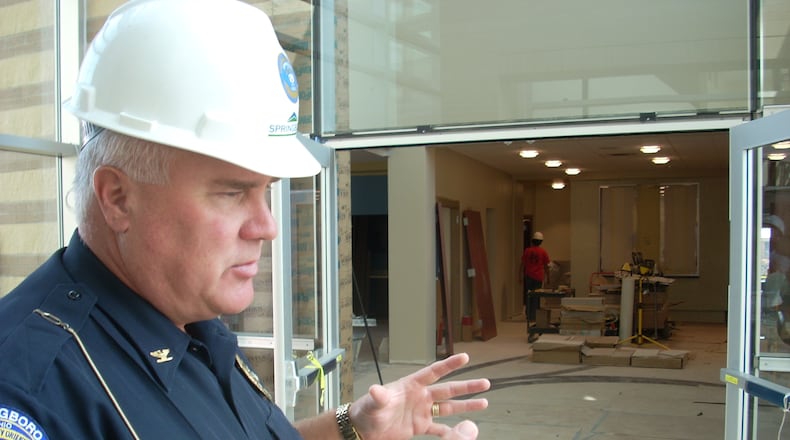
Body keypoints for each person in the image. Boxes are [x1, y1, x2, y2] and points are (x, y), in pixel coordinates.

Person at [0, 1, 490, 439]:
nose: (266, 226)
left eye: (266, 191)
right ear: (118, 199)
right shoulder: (35, 391)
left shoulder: (189, 323)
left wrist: (350, 429)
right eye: (233, 193)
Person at [520, 232, 551, 322]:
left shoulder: (527, 251)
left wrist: (520, 275)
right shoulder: (543, 252)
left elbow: (522, 264)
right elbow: (546, 266)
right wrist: (548, 278)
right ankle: (534, 316)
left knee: (529, 295)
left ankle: (529, 315)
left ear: (532, 241)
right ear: (541, 242)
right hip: (538, 277)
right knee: (536, 296)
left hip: (529, 276)